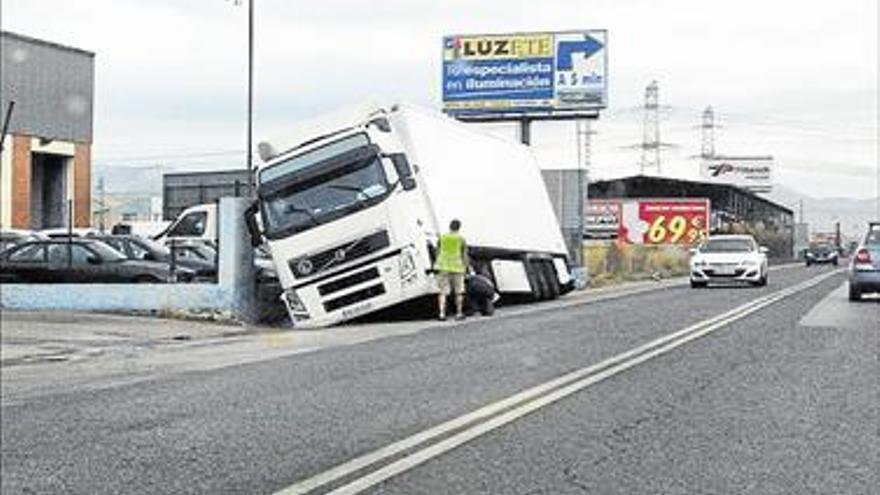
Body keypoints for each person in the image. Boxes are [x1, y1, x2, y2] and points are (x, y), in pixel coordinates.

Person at [434, 219, 467, 320]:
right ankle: (459, 313)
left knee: (442, 292)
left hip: (443, 266)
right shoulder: (461, 239)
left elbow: (437, 252)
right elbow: (464, 255)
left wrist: (436, 264)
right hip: (457, 267)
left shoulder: (442, 237)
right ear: (459, 227)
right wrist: (466, 267)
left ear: (450, 226)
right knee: (458, 292)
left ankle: (441, 314)